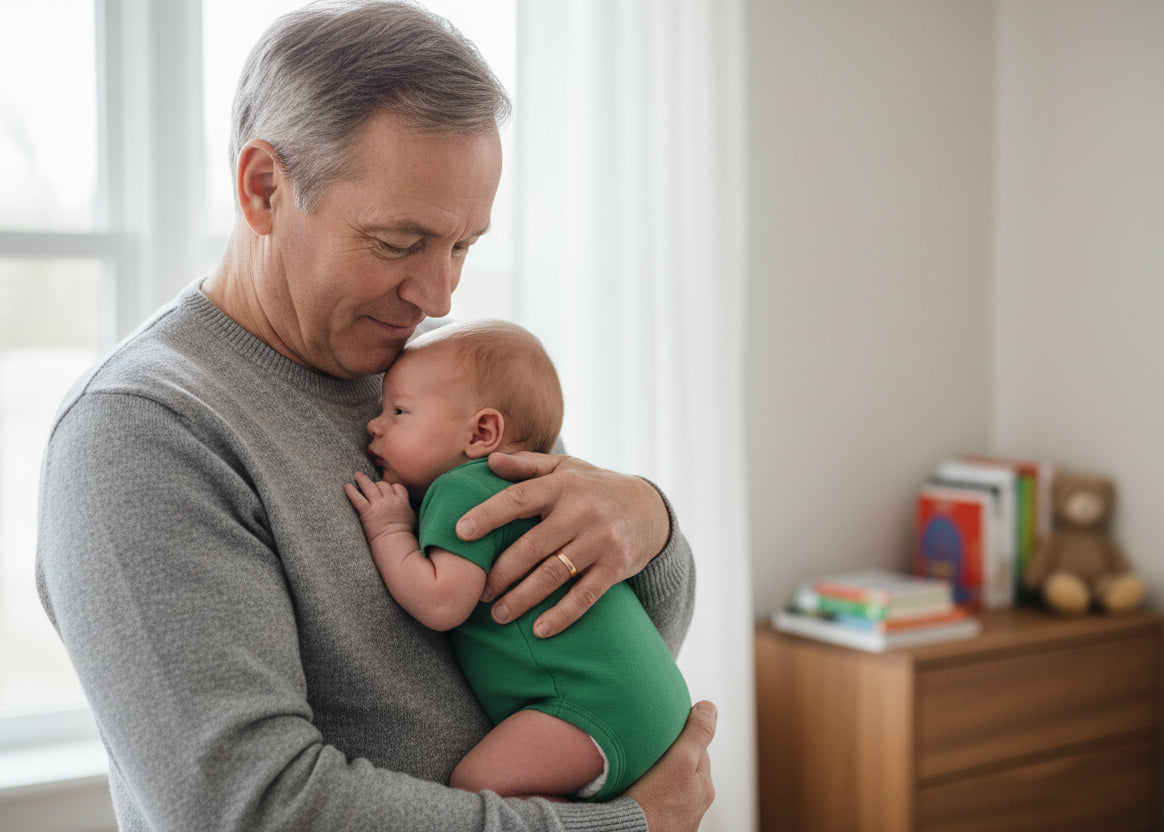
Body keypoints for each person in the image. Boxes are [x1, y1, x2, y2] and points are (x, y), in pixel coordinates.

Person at [34, 2, 714, 831]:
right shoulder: (140, 437)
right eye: (399, 242)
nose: (439, 297)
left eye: (463, 246)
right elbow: (250, 811)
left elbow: (612, 643)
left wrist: (648, 516)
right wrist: (628, 827)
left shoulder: (432, 373)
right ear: (263, 189)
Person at [345, 319, 692, 802]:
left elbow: (442, 602)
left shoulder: (461, 487)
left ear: (483, 431)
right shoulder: (537, 484)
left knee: (474, 787)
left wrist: (388, 529)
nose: (374, 424)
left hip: (589, 710)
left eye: (399, 411)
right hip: (656, 699)